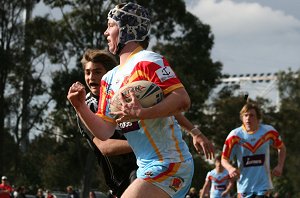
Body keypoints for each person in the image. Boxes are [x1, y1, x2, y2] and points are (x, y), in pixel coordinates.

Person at [67, 2, 210, 197]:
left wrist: (143, 113)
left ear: (126, 29)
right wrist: (80, 106)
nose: (105, 32)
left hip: (171, 164)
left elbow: (182, 99)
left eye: (110, 25)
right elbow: (104, 132)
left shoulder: (148, 61)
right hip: (145, 168)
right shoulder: (109, 79)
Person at [78, 49, 138, 197]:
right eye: (88, 72)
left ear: (110, 74)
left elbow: (165, 108)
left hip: (147, 166)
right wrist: (146, 143)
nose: (91, 77)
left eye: (97, 72)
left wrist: (194, 131)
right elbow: (105, 146)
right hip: (122, 181)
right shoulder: (86, 108)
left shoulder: (126, 96)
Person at [221, 102, 286, 198]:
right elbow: (224, 159)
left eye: (251, 115)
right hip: (244, 186)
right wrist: (230, 169)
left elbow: (282, 148)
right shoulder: (234, 135)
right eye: (245, 115)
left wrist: (280, 166)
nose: (248, 118)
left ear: (258, 118)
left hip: (263, 185)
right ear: (242, 118)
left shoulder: (268, 132)